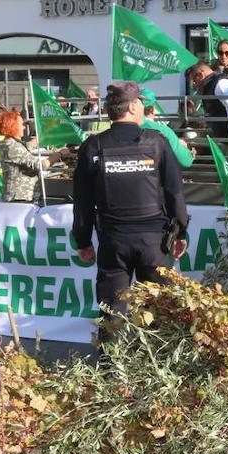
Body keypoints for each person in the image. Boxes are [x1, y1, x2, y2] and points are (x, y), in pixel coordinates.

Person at [72, 81, 188, 328]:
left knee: (111, 313)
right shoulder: (156, 142)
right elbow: (175, 192)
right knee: (158, 313)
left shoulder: (93, 146)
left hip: (113, 241)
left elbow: (82, 201)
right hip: (154, 242)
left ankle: (110, 354)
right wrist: (181, 232)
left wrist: (82, 241)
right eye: (141, 104)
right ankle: (152, 354)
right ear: (134, 107)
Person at [0, 109, 62, 202]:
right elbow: (40, 165)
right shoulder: (12, 146)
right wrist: (59, 154)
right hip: (19, 199)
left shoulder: (11, 143)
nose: (24, 127)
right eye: (21, 124)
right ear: (12, 126)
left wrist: (47, 131)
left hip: (22, 198)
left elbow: (28, 145)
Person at [188, 61, 228, 142]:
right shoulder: (211, 85)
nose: (195, 84)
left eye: (194, 80)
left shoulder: (221, 83)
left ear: (201, 74)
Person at [140, 88, 194, 168]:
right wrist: (181, 146)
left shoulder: (123, 128)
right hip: (155, 173)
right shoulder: (164, 131)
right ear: (153, 109)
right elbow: (186, 161)